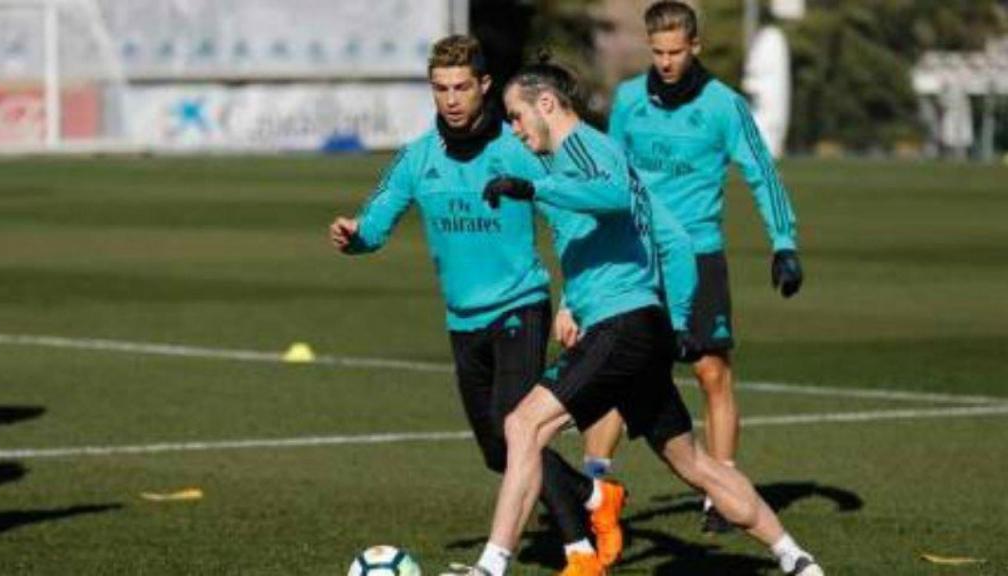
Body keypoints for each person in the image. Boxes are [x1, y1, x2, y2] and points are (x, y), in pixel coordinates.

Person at [443, 57, 823, 576]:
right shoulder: (594, 155)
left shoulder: (583, 148)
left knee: (522, 425)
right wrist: (678, 322)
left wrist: (535, 189)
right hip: (638, 326)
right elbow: (674, 240)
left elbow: (611, 195)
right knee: (692, 462)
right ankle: (795, 557)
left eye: (515, 115)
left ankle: (490, 566)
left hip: (619, 328)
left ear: (546, 105)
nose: (513, 126)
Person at [328, 35, 623, 574]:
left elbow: (570, 222)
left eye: (462, 86)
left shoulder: (518, 150)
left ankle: (579, 551)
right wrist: (356, 236)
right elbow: (378, 218)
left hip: (521, 306)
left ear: (484, 86)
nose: (451, 99)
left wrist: (573, 300)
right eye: (440, 89)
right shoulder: (418, 158)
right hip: (462, 320)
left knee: (517, 432)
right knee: (496, 450)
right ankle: (595, 496)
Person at [577, 0, 805, 532]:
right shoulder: (630, 101)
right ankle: (593, 488)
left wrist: (784, 243)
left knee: (711, 372)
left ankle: (721, 492)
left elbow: (761, 173)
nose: (666, 62)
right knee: (616, 368)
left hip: (699, 255)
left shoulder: (725, 107)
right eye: (657, 52)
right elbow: (607, 175)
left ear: (695, 47)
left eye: (676, 52)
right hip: (636, 254)